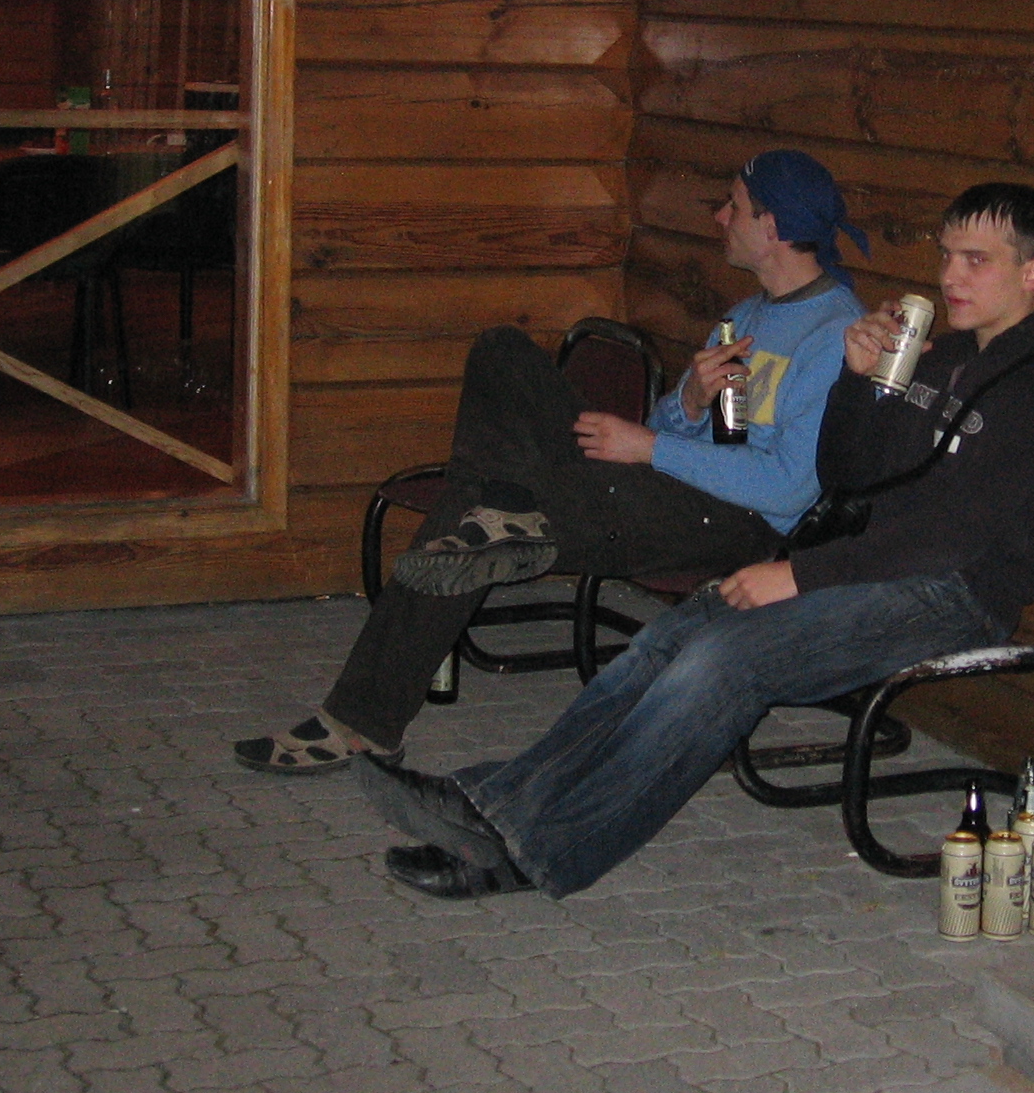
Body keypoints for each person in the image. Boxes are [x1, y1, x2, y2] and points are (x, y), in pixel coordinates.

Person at [357, 182, 1034, 900]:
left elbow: (956, 536)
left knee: (724, 661)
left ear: (1032, 273)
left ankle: (533, 851)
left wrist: (801, 575)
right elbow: (849, 474)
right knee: (671, 636)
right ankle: (493, 804)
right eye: (946, 255)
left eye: (977, 260)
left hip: (956, 596)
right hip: (881, 570)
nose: (950, 276)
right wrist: (858, 381)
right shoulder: (942, 358)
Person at [233, 150, 869, 774]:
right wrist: (691, 403)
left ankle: (361, 721)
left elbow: (787, 490)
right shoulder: (744, 316)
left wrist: (651, 449)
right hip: (669, 486)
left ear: (772, 227)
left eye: (734, 205)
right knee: (503, 354)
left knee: (466, 508)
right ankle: (502, 509)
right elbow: (667, 432)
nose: (720, 217)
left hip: (737, 526)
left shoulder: (835, 337)